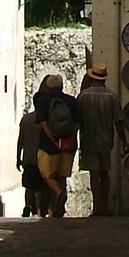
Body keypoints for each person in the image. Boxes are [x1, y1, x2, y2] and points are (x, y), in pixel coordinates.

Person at [76, 61, 129, 216]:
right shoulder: (112, 97)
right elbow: (118, 121)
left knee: (94, 174)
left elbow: (77, 121)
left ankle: (97, 207)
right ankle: (105, 206)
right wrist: (124, 141)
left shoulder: (83, 96)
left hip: (88, 140)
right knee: (105, 173)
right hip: (106, 141)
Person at [34, 73, 81, 217]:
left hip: (48, 146)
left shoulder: (43, 100)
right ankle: (59, 209)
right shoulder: (71, 101)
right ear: (62, 86)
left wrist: (53, 140)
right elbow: (78, 122)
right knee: (62, 176)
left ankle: (59, 193)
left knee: (46, 174)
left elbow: (43, 122)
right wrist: (70, 138)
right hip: (68, 145)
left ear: (48, 86)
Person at [16, 81, 51, 217]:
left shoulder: (26, 119)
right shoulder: (47, 120)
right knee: (45, 187)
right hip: (44, 157)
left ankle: (27, 206)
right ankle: (43, 211)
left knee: (29, 186)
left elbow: (21, 139)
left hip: (29, 157)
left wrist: (18, 157)